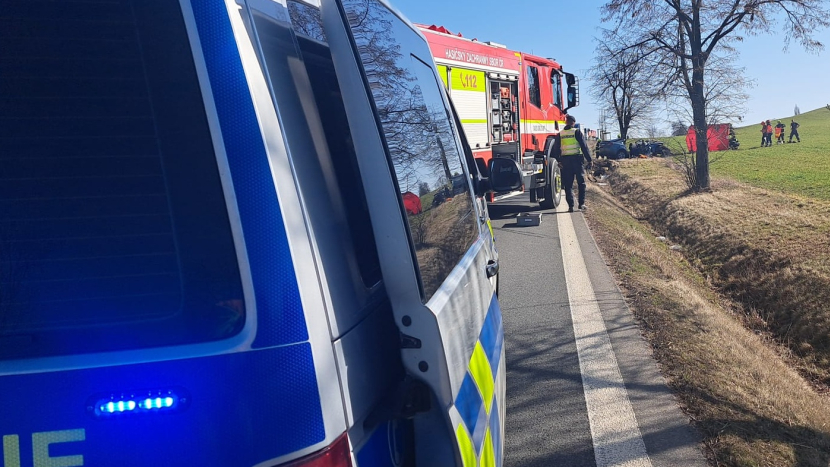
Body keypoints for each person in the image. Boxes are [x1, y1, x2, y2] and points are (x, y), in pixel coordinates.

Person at [552, 114, 593, 212]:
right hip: (577, 160)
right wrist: (590, 160)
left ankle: (570, 206)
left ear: (566, 122)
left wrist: (558, 161)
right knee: (581, 183)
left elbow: (556, 149)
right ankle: (581, 204)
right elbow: (584, 147)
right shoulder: (577, 132)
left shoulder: (560, 134)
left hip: (565, 161)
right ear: (573, 123)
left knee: (568, 185)